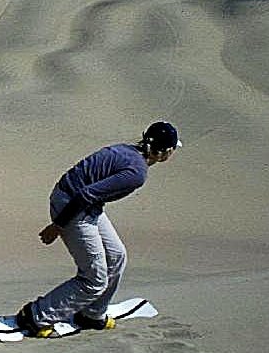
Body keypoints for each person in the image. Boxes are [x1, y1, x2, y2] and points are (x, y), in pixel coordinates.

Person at [15, 121, 181, 338]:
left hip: (83, 204)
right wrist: (57, 226)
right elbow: (85, 194)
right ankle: (35, 316)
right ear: (165, 152)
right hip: (73, 205)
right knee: (94, 279)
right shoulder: (136, 172)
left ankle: (92, 314)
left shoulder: (128, 151)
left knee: (117, 255)